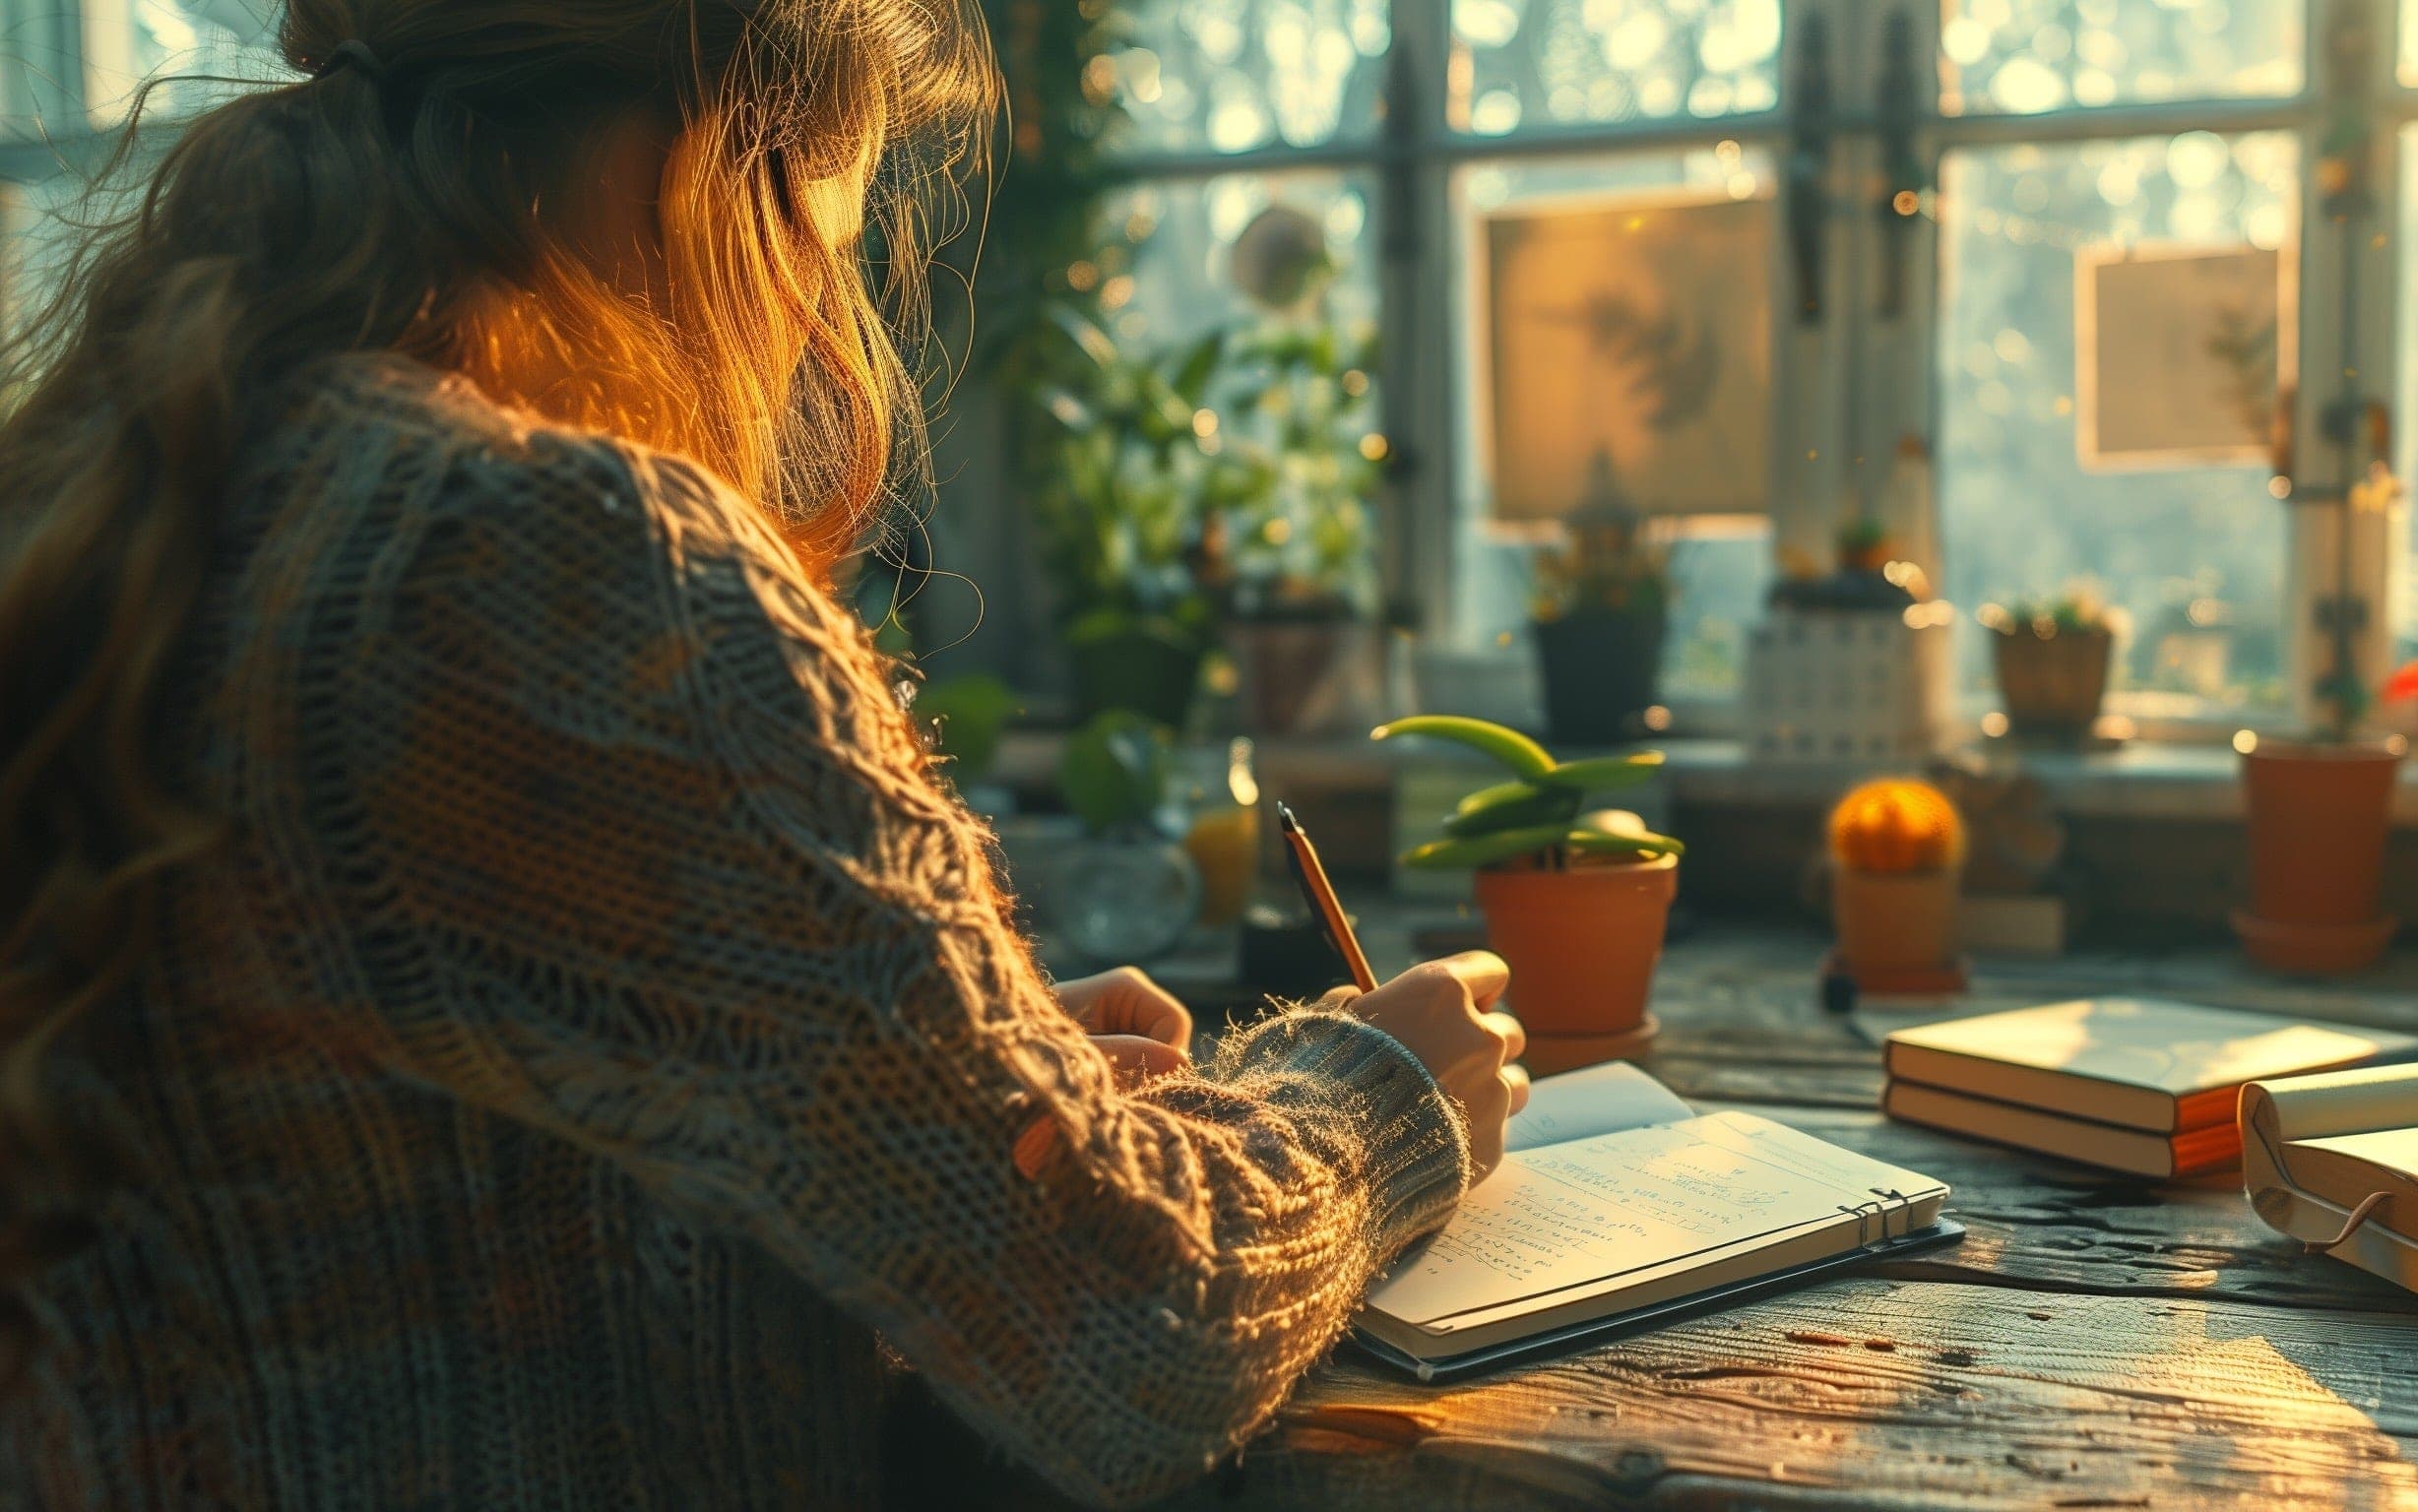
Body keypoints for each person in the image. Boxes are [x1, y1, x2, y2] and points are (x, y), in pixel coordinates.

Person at [0, 3, 1525, 1506]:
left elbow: (392, 1166)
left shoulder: (127, 507)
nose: (812, 320)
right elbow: (1139, 1337)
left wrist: (884, 1083)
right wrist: (1385, 1089)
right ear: (729, 169)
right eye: (837, 237)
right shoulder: (567, 568)